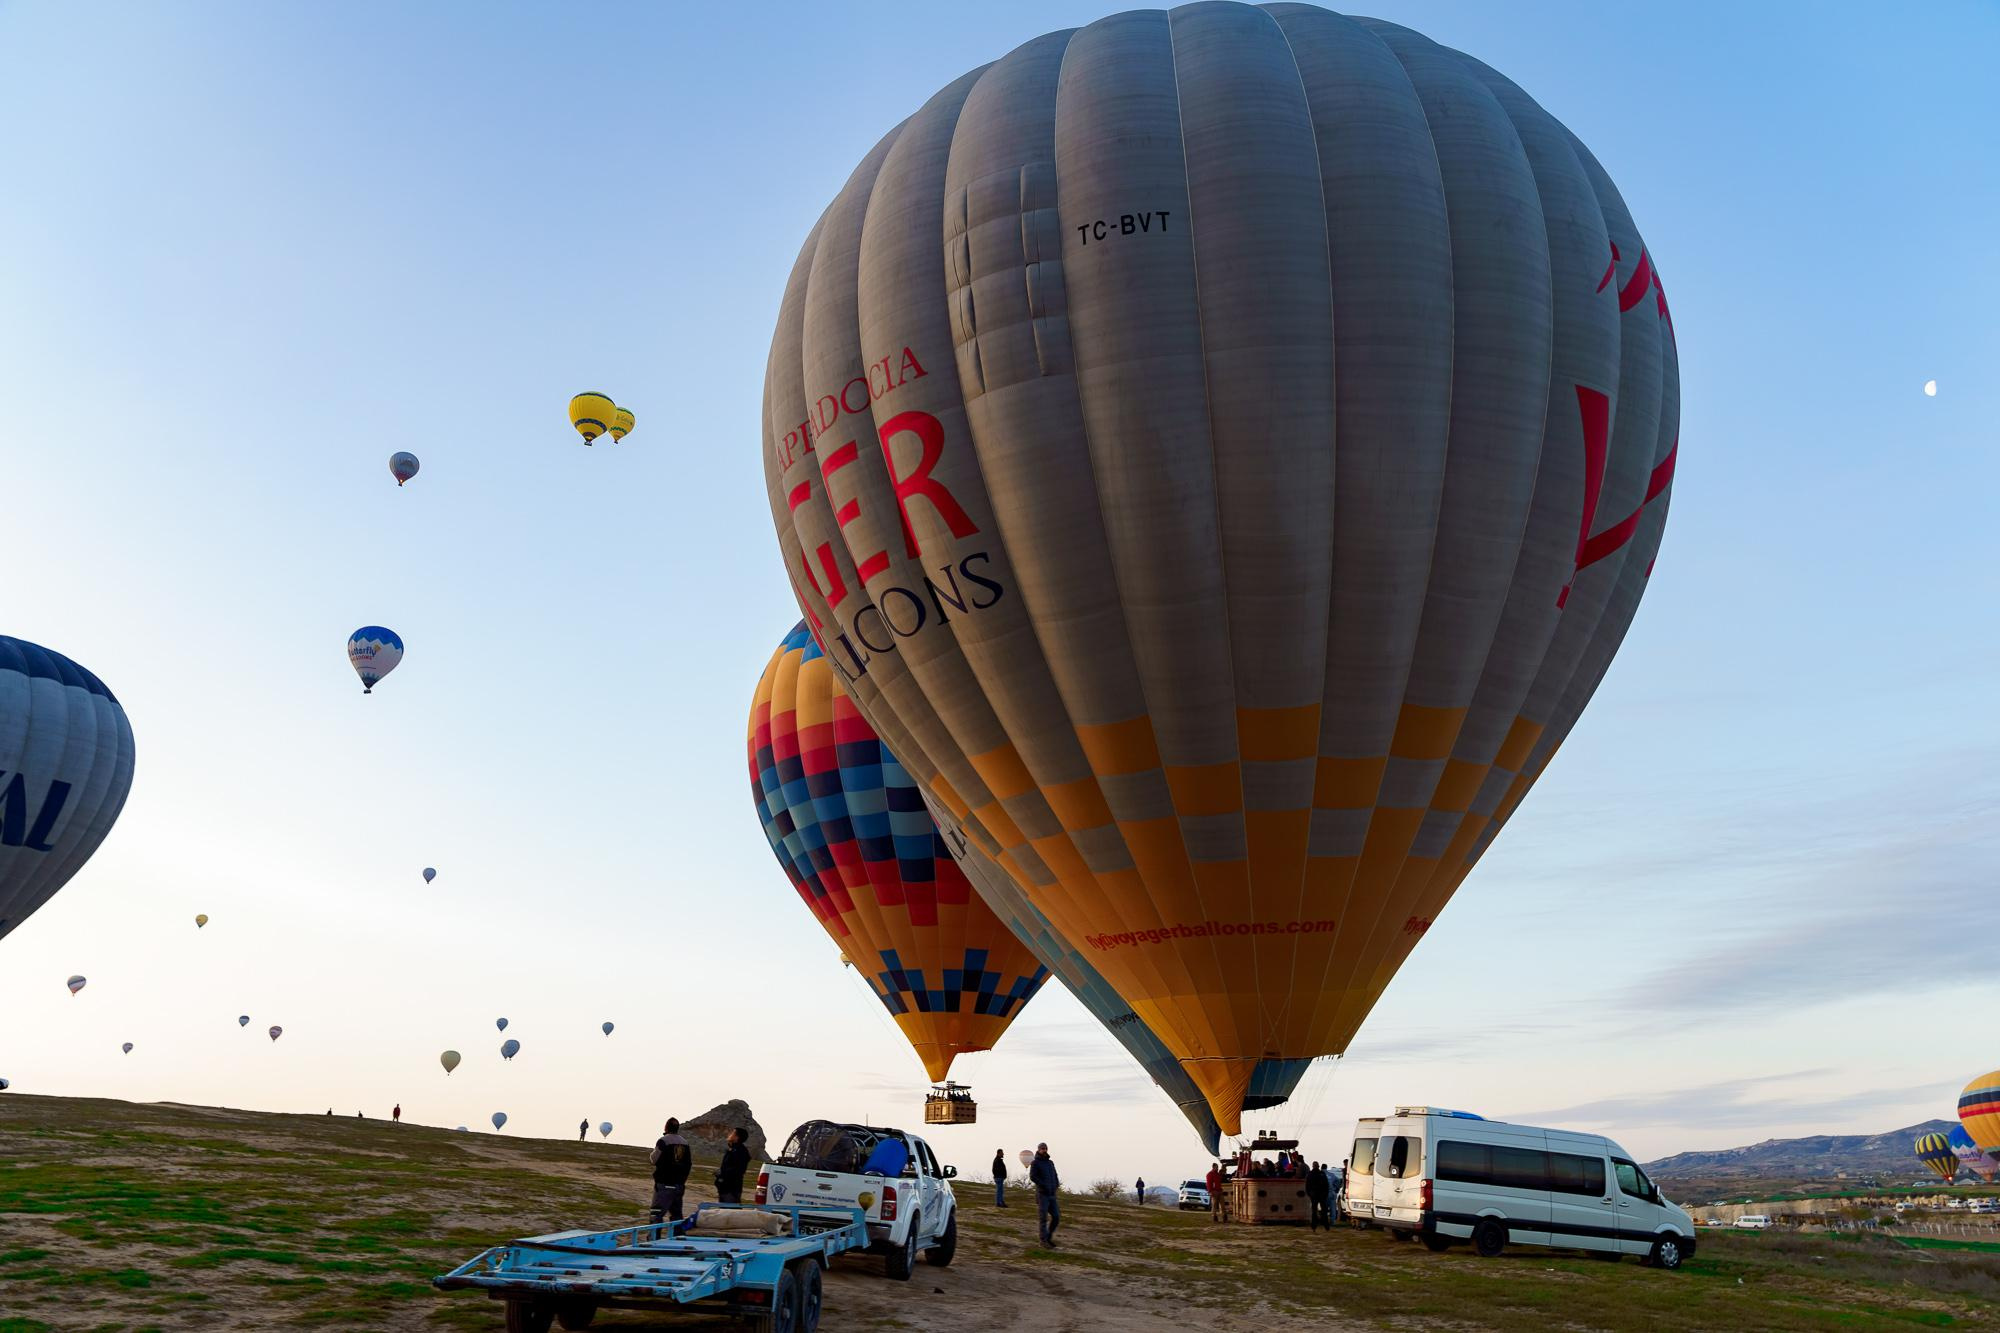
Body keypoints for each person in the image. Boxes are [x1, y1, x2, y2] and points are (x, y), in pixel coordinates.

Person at [649, 1117, 692, 1224]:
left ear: (666, 1127)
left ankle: (655, 1238)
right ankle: (677, 1236)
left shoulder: (663, 1141)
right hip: (679, 1185)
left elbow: (654, 1159)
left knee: (656, 1214)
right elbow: (688, 1164)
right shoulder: (685, 1143)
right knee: (677, 1215)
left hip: (664, 1183)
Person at [1029, 1142, 1061, 1248]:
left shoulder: (1050, 1163)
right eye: (1042, 1148)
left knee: (1056, 1217)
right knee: (1043, 1219)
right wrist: (1043, 1185)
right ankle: (1043, 1241)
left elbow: (1055, 1175)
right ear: (1038, 1150)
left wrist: (1056, 1184)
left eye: (1046, 1148)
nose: (1044, 1150)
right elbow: (1033, 1177)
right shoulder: (1035, 1163)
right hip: (1042, 1195)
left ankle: (1048, 1237)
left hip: (1052, 1195)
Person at [716, 1127, 751, 1204]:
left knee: (730, 1211)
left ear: (736, 1137)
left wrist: (723, 1174)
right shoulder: (732, 1149)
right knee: (724, 1212)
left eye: (733, 1133)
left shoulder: (740, 1151)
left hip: (731, 1189)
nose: (730, 1135)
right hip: (725, 1187)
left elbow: (738, 1170)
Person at [1306, 1161, 1330, 1232]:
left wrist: (1309, 1194)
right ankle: (1326, 1226)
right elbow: (1326, 1185)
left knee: (1314, 1211)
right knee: (1324, 1211)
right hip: (1321, 1195)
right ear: (1318, 1166)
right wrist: (1325, 1194)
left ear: (1313, 1166)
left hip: (1314, 1195)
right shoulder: (1322, 1174)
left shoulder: (1310, 1174)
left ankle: (1314, 1226)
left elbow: (1307, 1186)